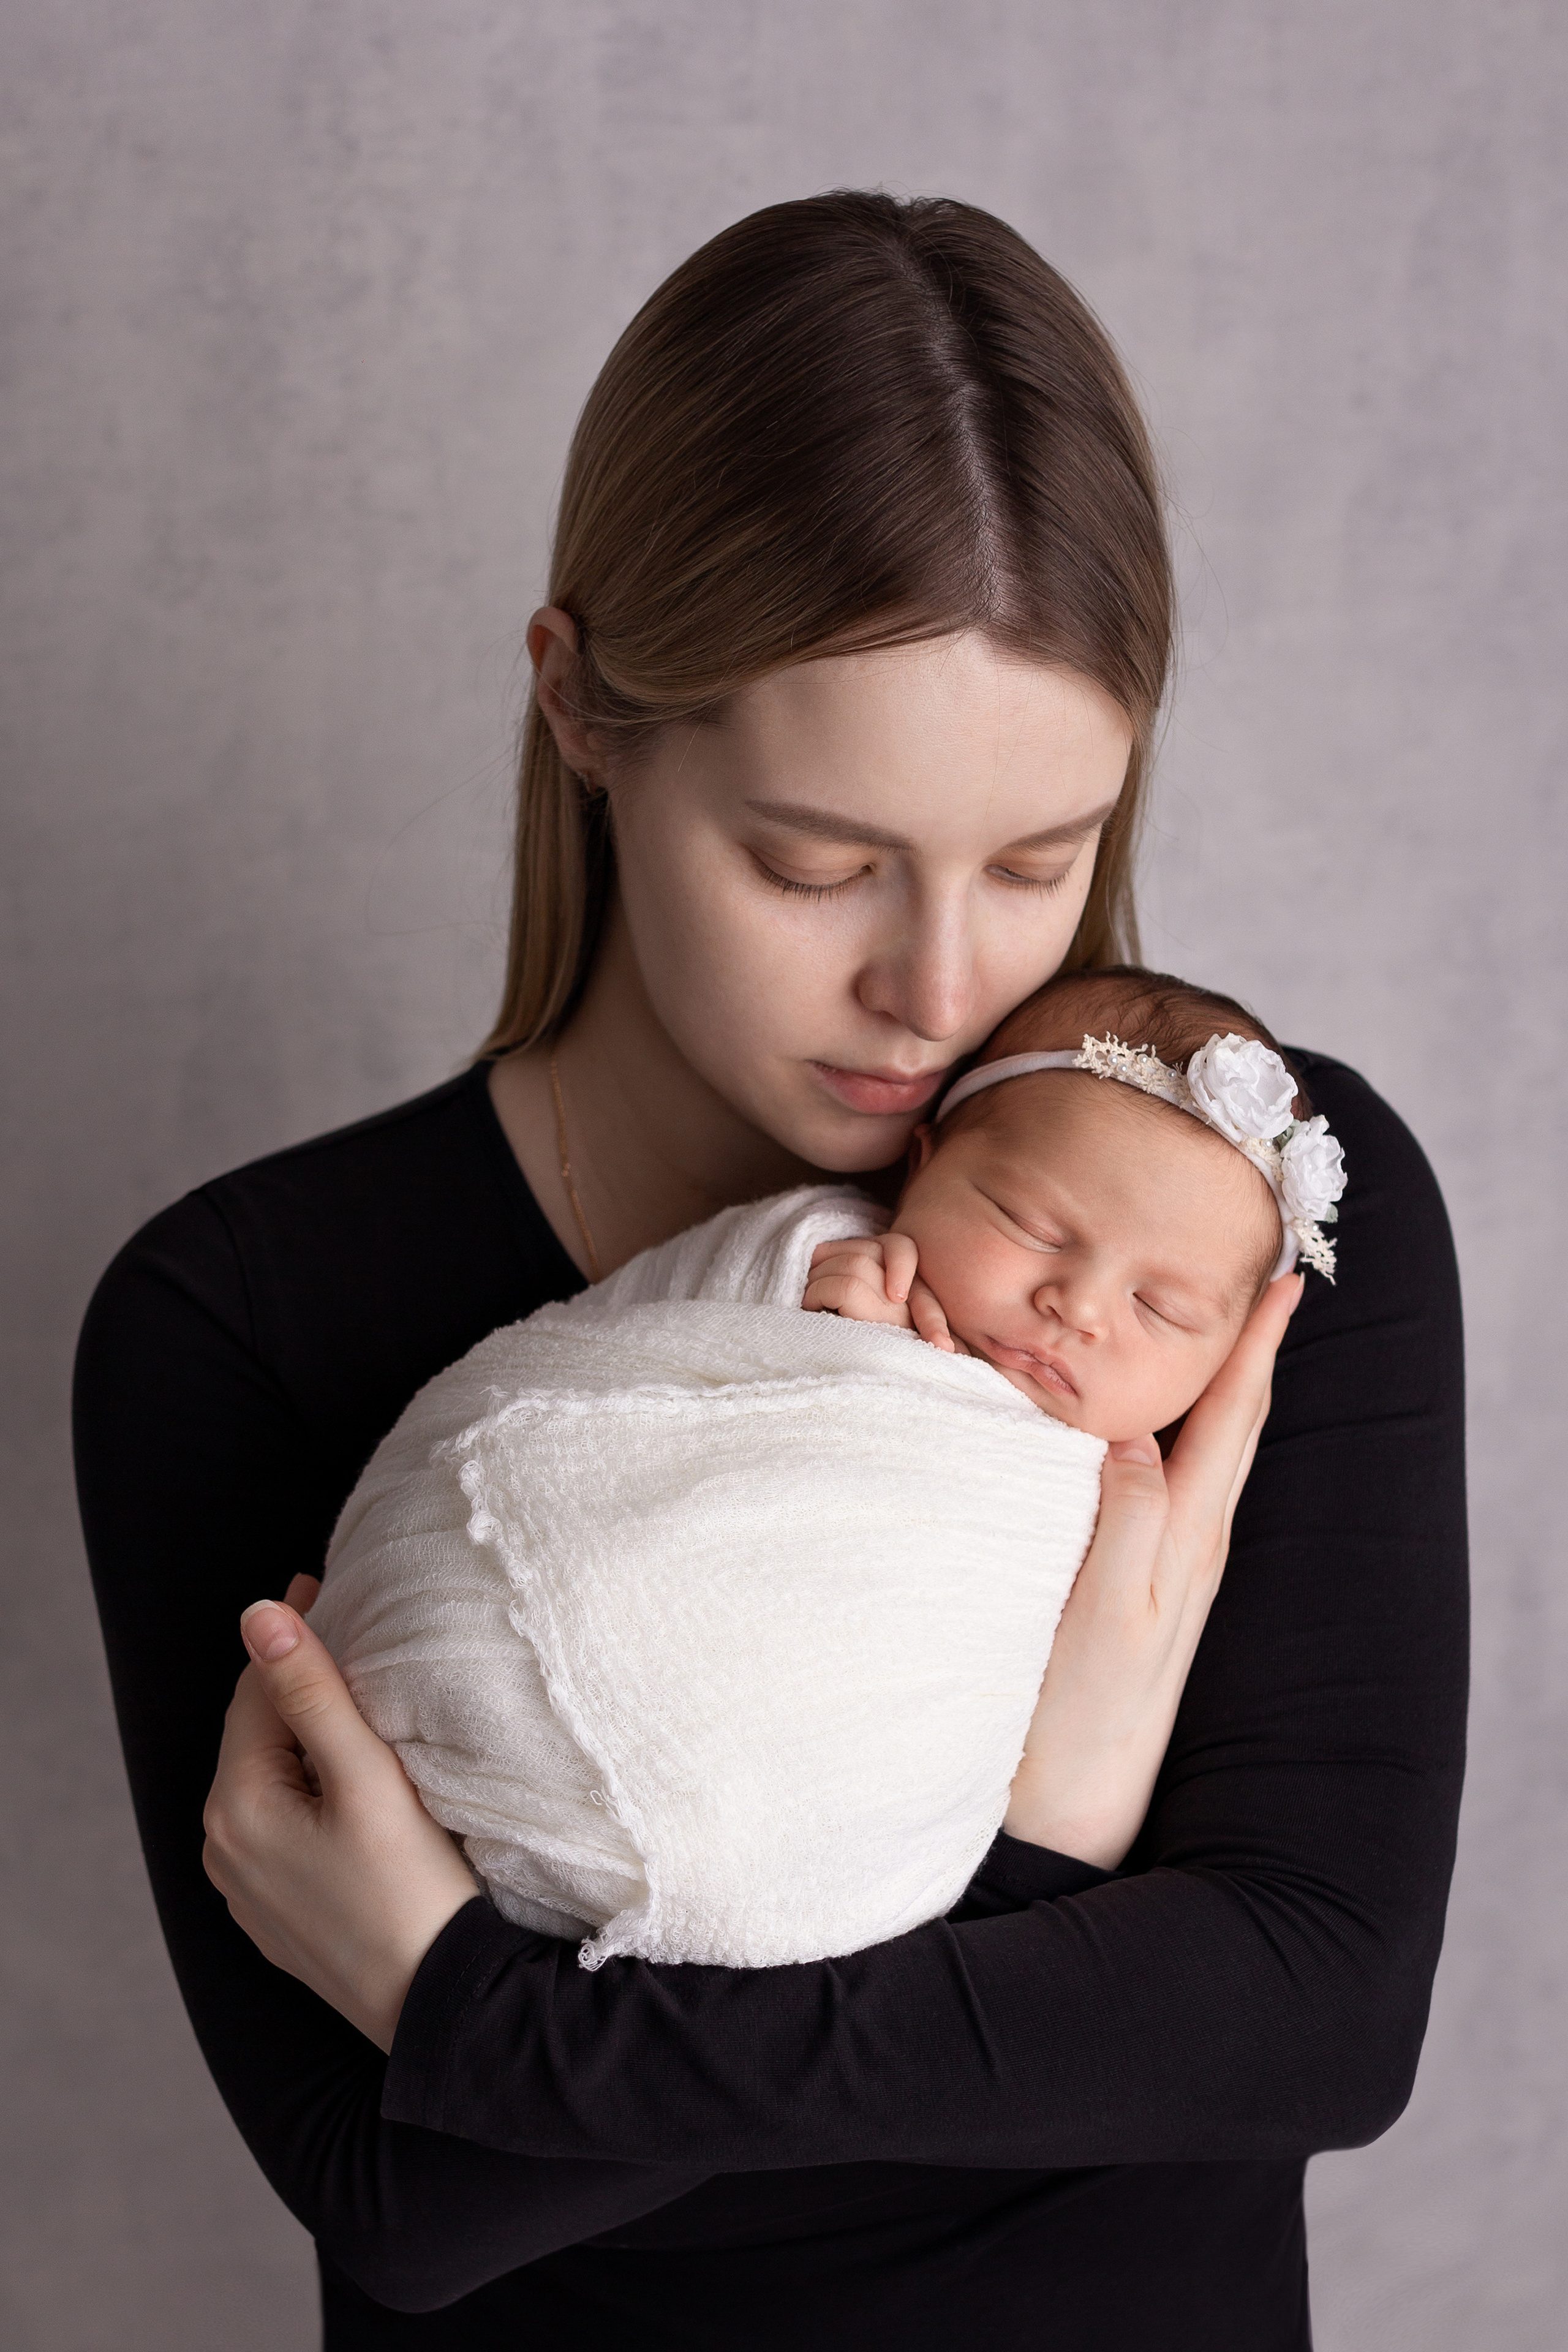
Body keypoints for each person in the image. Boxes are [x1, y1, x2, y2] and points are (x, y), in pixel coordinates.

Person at [73, 193, 1466, 2350]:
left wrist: (492, 2024)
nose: (935, 986)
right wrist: (1056, 1865)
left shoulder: (1223, 1227)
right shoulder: (238, 1318)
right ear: (585, 716)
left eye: (1038, 861)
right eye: (816, 862)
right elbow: (399, 2206)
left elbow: (1312, 2014)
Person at [307, 967, 1341, 1979]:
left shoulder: (1128, 1501)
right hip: (488, 1636)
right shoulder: (829, 1251)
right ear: (922, 1165)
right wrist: (809, 1314)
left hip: (766, 1840)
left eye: (1163, 1311)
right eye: (1032, 1227)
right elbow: (656, 1337)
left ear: (1232, 1354)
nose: (1077, 1305)